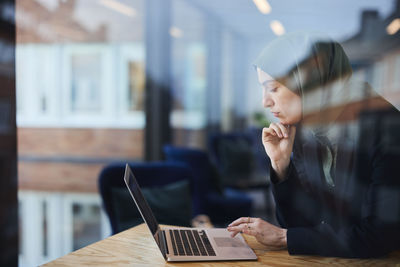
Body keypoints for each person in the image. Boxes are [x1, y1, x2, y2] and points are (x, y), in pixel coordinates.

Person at [227, 32, 400, 258]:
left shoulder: (387, 129)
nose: (265, 102)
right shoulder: (307, 130)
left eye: (273, 88)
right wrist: (281, 165)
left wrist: (283, 237)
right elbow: (300, 224)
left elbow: (379, 235)